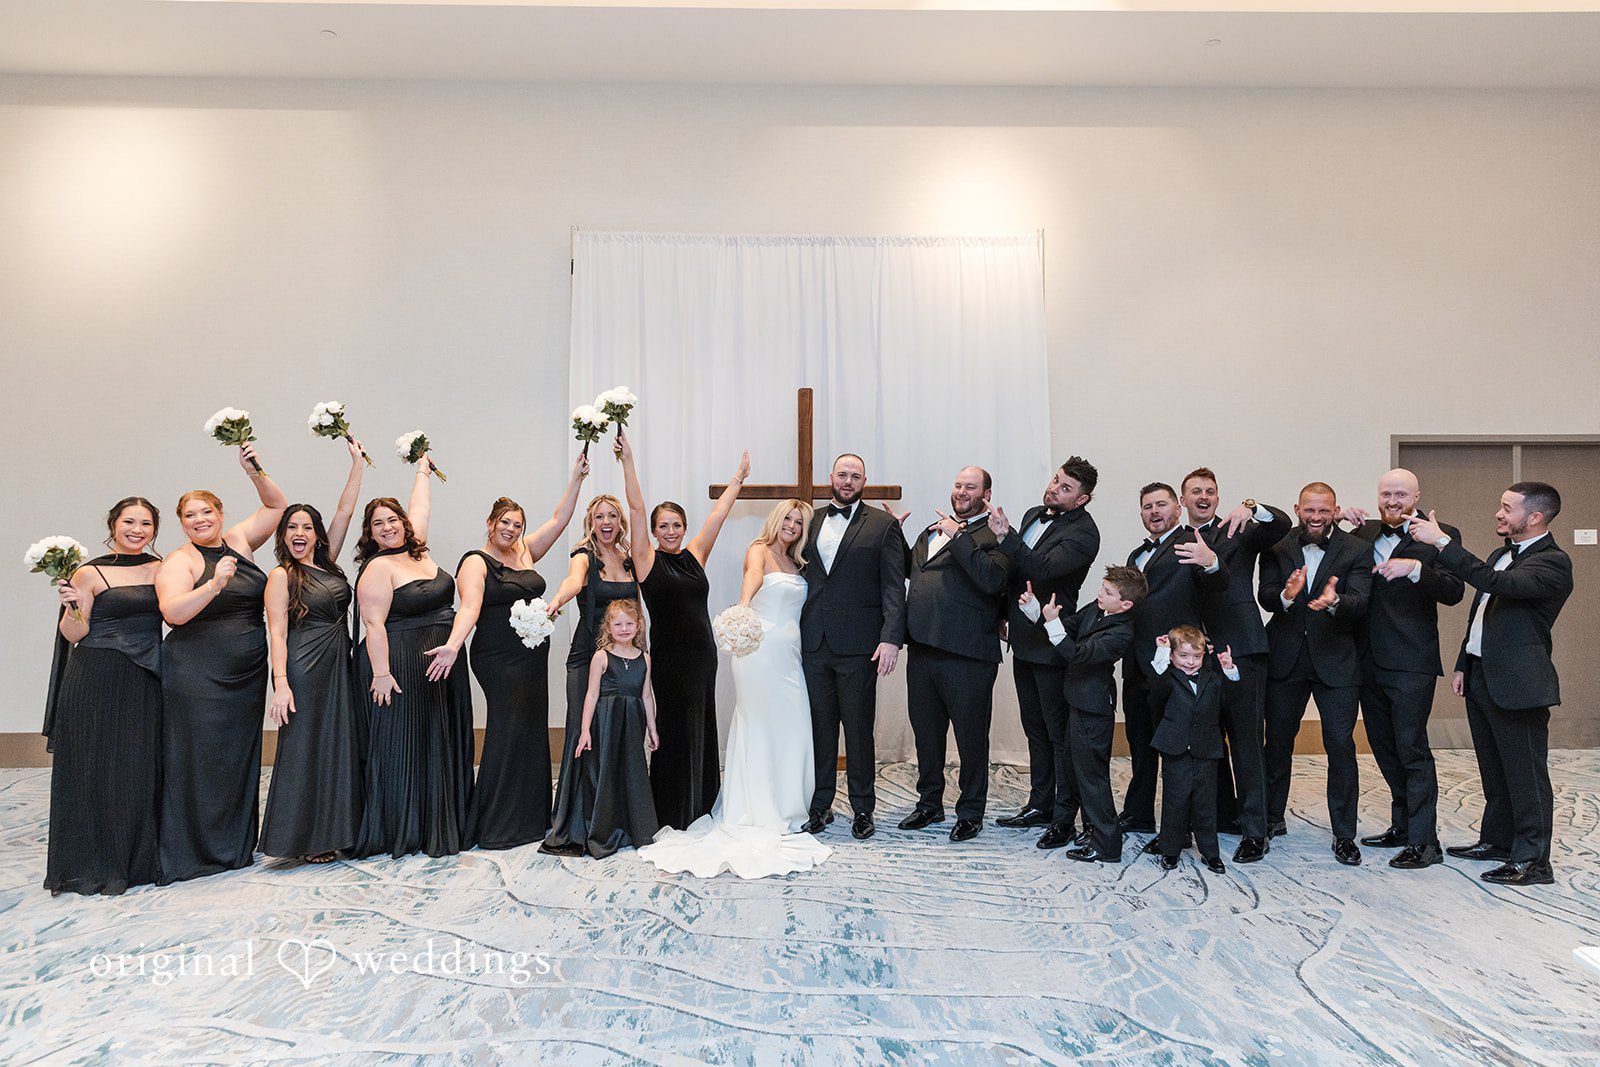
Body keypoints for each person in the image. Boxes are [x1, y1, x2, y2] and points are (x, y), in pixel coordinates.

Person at [639, 499, 833, 878]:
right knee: (758, 725)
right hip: (759, 650)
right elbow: (754, 575)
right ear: (776, 520)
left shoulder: (799, 562)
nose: (792, 525)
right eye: (787, 518)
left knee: (793, 726)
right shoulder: (758, 550)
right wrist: (743, 605)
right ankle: (757, 806)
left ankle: (789, 804)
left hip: (790, 656)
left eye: (799, 521)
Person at [1408, 483, 1573, 886]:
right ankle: (1498, 841)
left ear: (1534, 517)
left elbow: (1499, 585)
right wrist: (1463, 662)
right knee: (1494, 769)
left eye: (1507, 508)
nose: (1498, 514)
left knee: (1526, 775)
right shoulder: (1502, 554)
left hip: (1519, 683)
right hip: (1482, 674)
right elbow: (1481, 614)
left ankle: (1533, 861)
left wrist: (1442, 542)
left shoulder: (1553, 562)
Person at [155, 443, 286, 883]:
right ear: (182, 523)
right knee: (201, 758)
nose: (199, 520)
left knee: (236, 756)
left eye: (206, 512)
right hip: (198, 674)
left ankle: (232, 845)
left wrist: (254, 470)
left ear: (219, 513)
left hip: (245, 675)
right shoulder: (181, 560)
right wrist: (213, 585)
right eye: (190, 516)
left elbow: (276, 506)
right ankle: (195, 850)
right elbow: (172, 613)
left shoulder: (238, 541)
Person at [617, 429, 748, 830]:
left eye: (676, 525)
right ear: (654, 532)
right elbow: (635, 507)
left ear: (684, 528)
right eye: (664, 526)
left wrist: (738, 478)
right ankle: (673, 808)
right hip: (671, 661)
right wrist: (627, 460)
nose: (671, 531)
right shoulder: (646, 560)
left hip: (703, 658)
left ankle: (702, 802)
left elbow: (718, 516)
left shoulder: (695, 555)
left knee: (701, 724)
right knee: (674, 729)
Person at [459, 454, 589, 850]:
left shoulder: (525, 552)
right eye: (505, 522)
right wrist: (452, 644)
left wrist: (576, 479)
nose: (511, 530)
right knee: (507, 728)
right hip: (497, 659)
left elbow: (560, 519)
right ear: (490, 523)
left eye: (517, 524)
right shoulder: (476, 561)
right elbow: (469, 608)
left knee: (531, 729)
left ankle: (531, 819)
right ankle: (496, 824)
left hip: (531, 656)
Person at [351, 456, 475, 858]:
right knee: (406, 745)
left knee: (438, 740)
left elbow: (421, 505)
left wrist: (422, 468)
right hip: (401, 666)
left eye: (393, 520)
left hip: (444, 664)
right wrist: (381, 674)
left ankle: (442, 819)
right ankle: (406, 828)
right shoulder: (378, 567)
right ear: (370, 533)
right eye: (378, 524)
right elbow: (373, 624)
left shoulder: (418, 550)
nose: (388, 527)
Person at [1342, 469, 1463, 870]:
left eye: (1400, 495)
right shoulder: (1363, 533)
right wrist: (1338, 518)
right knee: (1383, 745)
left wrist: (1415, 569)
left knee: (1411, 748)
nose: (1392, 501)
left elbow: (1454, 591)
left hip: (1412, 662)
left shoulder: (1440, 534)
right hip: (1367, 660)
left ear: (1416, 496)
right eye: (1386, 494)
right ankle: (1403, 825)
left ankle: (1425, 842)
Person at [44, 497, 164, 895]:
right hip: (95, 675)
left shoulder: (163, 567)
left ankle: (135, 861)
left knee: (136, 769)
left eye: (145, 523)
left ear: (155, 530)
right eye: (129, 521)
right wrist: (72, 609)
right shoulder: (89, 572)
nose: (137, 530)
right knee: (93, 768)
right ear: (113, 525)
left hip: (145, 677)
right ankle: (92, 863)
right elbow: (75, 634)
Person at [260, 437, 367, 862]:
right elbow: (277, 633)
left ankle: (338, 831)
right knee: (306, 748)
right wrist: (281, 685)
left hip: (340, 662)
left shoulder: (328, 563)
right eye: (292, 527)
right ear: (283, 535)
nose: (299, 534)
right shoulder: (280, 576)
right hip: (303, 667)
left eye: (307, 527)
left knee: (339, 746)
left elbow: (345, 511)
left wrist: (357, 464)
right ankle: (303, 841)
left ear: (316, 535)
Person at [1258, 481, 1372, 866]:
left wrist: (1335, 601)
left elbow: (1361, 601)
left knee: (1340, 745)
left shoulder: (1356, 548)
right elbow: (1265, 594)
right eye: (1310, 510)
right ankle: (1270, 819)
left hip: (1337, 661)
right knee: (1277, 743)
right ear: (1297, 509)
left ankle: (1344, 834)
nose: (1317, 517)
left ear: (1335, 511)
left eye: (1324, 510)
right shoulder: (1276, 545)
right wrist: (1286, 596)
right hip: (1285, 658)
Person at [799, 453, 908, 841]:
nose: (848, 481)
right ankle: (820, 805)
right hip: (813, 642)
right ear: (831, 476)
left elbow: (894, 585)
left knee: (859, 730)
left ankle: (863, 808)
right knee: (819, 728)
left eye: (855, 476)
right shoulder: (808, 520)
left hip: (860, 646)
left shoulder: (882, 525)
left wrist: (891, 637)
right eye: (842, 474)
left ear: (865, 481)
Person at [991, 457, 1101, 839]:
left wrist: (1007, 537)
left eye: (1066, 488)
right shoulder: (1033, 514)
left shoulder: (1085, 533)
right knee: (1034, 729)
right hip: (1022, 639)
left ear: (1082, 499)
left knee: (1058, 735)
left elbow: (1042, 569)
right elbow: (1017, 573)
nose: (1054, 488)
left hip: (1053, 641)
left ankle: (1064, 817)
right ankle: (1040, 804)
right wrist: (1002, 613)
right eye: (1056, 480)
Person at [901, 467, 1013, 842]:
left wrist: (959, 536)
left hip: (969, 655)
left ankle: (970, 811)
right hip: (922, 649)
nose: (961, 492)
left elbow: (993, 580)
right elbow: (913, 572)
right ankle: (929, 804)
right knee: (927, 735)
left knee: (970, 738)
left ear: (986, 494)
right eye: (958, 485)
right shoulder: (929, 532)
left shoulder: (996, 534)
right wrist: (892, 537)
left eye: (970, 487)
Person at [1184, 468, 1288, 864]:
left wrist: (1252, 506)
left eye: (1210, 491)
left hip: (1242, 648)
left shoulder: (1237, 529)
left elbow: (1280, 524)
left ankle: (1255, 830)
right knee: (1208, 741)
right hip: (1196, 656)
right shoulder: (1176, 541)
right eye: (1196, 491)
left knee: (1246, 742)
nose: (1204, 496)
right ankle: (1225, 816)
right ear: (1184, 500)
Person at [1119, 482, 1226, 837]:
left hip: (1177, 666)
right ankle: (1139, 813)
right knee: (1140, 742)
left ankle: (1182, 826)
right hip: (1137, 663)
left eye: (1161, 504)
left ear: (1178, 509)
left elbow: (1217, 584)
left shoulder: (1190, 545)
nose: (1154, 512)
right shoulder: (1136, 555)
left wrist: (1212, 563)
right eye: (1147, 506)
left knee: (1181, 750)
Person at [1020, 565, 1145, 862]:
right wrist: (1039, 612)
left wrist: (1053, 624)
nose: (1100, 594)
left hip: (1094, 708)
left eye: (1108, 592)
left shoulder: (1121, 632)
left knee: (1093, 778)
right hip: (1077, 702)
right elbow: (1066, 626)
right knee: (1071, 769)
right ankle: (1076, 827)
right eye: (1102, 587)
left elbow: (1078, 655)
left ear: (1126, 604)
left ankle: (1106, 844)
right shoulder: (1097, 609)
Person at [547, 495, 639, 829]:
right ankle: (577, 818)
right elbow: (573, 582)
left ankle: (614, 815)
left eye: (612, 516)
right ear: (591, 522)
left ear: (620, 522)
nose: (606, 522)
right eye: (599, 516)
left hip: (623, 657)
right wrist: (558, 599)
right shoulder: (583, 556)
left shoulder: (628, 559)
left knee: (616, 730)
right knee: (582, 729)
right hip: (587, 654)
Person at [542, 599, 661, 858]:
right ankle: (604, 828)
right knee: (606, 771)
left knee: (631, 771)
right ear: (608, 627)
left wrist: (652, 729)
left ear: (638, 626)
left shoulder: (645, 658)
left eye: (629, 623)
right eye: (617, 624)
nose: (624, 629)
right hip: (606, 723)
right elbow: (591, 695)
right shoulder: (601, 657)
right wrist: (585, 730)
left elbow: (646, 696)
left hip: (633, 724)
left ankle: (633, 827)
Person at [1150, 627, 1238, 874]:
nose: (1190, 662)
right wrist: (1161, 652)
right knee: (1175, 800)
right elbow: (1155, 688)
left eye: (1196, 656)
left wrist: (1229, 669)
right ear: (1172, 655)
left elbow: (1231, 701)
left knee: (1205, 802)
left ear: (1204, 655)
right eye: (1183, 656)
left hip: (1206, 748)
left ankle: (1210, 852)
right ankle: (1170, 849)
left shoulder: (1213, 679)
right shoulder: (1167, 678)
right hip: (1175, 747)